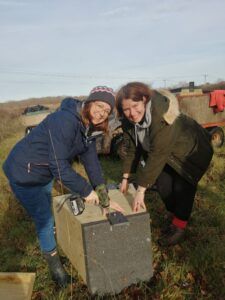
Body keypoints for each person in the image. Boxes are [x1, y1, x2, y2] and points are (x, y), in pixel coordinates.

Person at [3, 86, 123, 287]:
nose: (101, 112)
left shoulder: (89, 129)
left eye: (106, 111)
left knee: (48, 212)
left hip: (44, 170)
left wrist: (104, 199)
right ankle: (56, 268)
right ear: (90, 101)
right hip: (23, 172)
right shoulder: (64, 121)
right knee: (45, 219)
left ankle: (53, 239)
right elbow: (59, 167)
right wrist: (86, 191)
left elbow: (92, 164)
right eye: (99, 105)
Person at [116, 82, 213, 246]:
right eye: (126, 109)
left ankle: (179, 226)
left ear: (144, 100)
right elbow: (133, 148)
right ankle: (176, 214)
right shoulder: (128, 122)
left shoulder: (162, 115)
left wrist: (141, 190)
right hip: (166, 154)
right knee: (164, 186)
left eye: (135, 105)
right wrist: (125, 178)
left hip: (190, 151)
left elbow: (157, 153)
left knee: (182, 189)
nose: (132, 113)